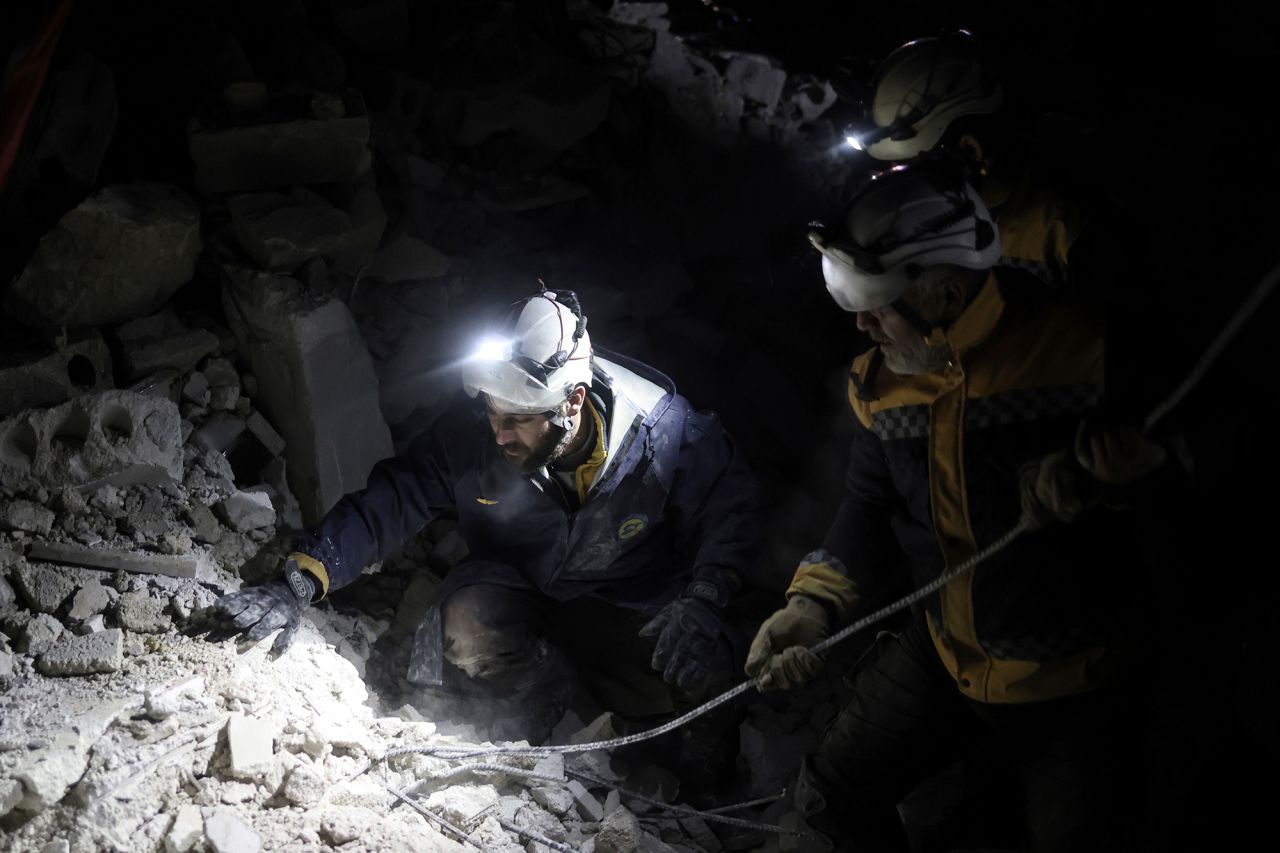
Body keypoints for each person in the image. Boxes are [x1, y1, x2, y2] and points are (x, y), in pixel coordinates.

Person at [745, 165, 1176, 852]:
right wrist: (812, 605)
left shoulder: (1084, 352)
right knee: (835, 793)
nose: (861, 323)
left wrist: (1130, 472)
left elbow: (1218, 448)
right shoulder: (881, 382)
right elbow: (868, 502)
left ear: (945, 289)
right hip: (943, 648)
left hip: (1069, 679)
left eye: (879, 305)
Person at [197, 288, 767, 799]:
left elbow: (732, 507)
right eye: (491, 411)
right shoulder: (476, 438)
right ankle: (541, 695)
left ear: (572, 404)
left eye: (517, 419)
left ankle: (703, 789)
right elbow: (393, 500)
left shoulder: (662, 437)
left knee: (706, 652)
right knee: (465, 623)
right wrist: (302, 578)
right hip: (525, 590)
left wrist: (708, 593)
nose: (498, 432)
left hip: (631, 614)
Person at [846, 31, 1085, 292]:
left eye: (915, 170)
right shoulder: (970, 231)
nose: (908, 187)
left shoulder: (1057, 232)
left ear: (970, 151)